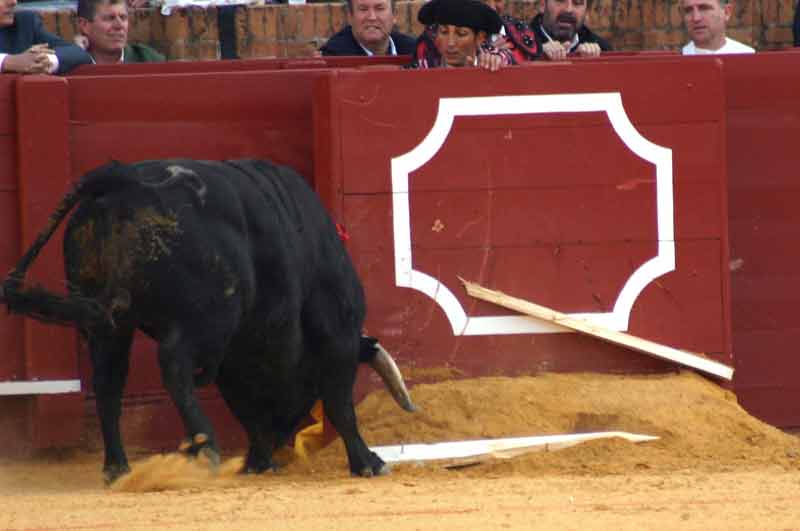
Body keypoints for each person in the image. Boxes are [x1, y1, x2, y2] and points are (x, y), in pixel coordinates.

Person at [408, 0, 507, 71]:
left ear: (480, 38)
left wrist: (493, 64)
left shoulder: (494, 58)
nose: (450, 43)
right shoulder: (423, 67)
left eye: (461, 34)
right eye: (444, 32)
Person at [0, 0, 91, 74]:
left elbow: (77, 53)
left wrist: (45, 60)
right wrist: (6, 62)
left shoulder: (24, 23)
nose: (13, 2)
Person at [76, 0, 164, 64]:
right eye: (109, 18)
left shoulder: (149, 60)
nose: (119, 26)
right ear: (84, 25)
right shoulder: (70, 64)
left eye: (123, 17)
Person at [319, 0, 415, 57]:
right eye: (363, 9)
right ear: (350, 16)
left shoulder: (415, 51)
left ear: (395, 14)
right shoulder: (333, 58)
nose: (372, 17)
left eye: (379, 8)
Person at [529, 0, 611, 61]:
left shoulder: (603, 50)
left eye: (577, 3)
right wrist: (536, 53)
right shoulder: (519, 45)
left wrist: (592, 66)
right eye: (560, 1)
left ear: (587, 11)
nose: (568, 9)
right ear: (543, 4)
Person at [681, 0, 754, 54]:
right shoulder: (677, 60)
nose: (696, 18)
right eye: (688, 10)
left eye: (704, 8)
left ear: (726, 12)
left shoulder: (747, 57)